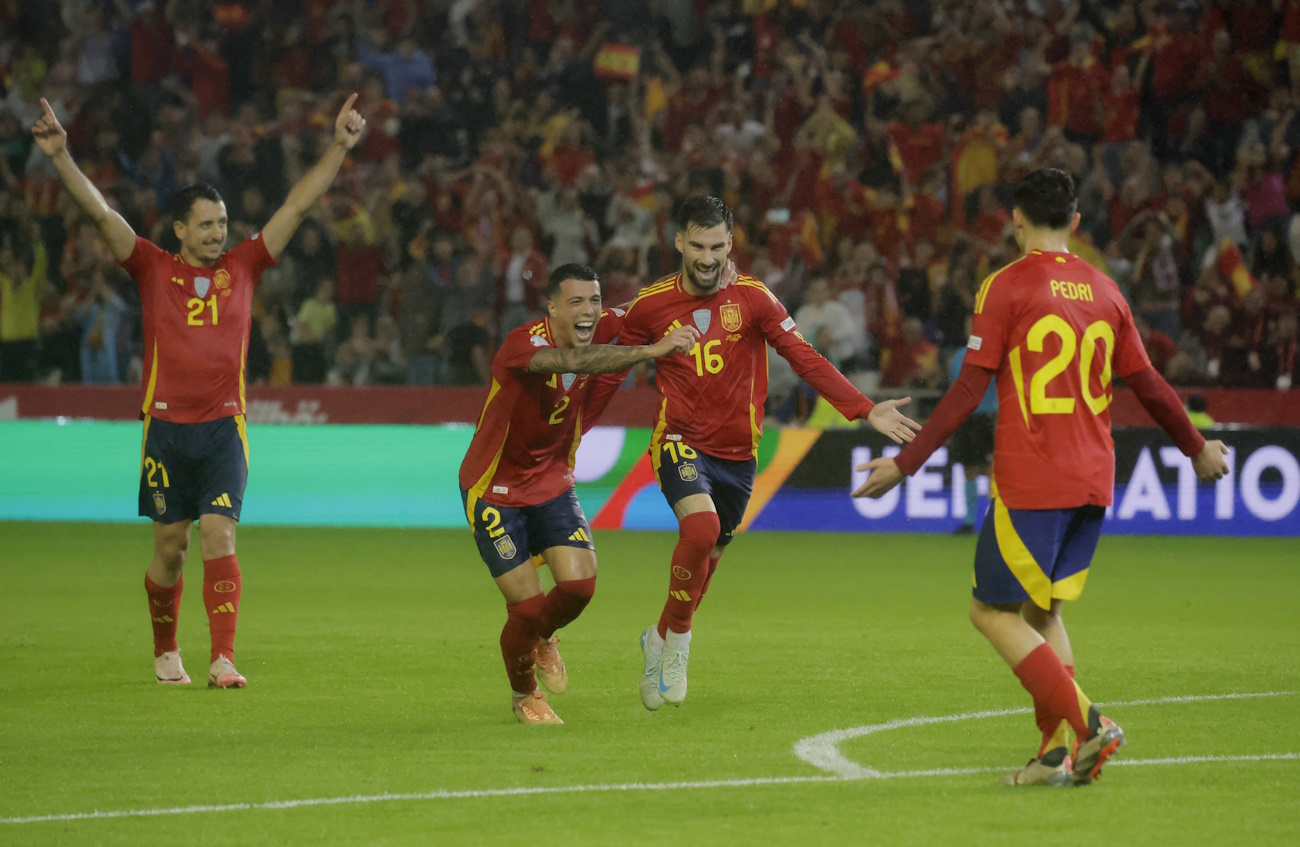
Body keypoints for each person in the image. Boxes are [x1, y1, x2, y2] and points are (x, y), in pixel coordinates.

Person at [854, 169, 1230, 787]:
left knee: (989, 612)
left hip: (1034, 476)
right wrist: (1196, 447)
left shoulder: (1004, 287)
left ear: (1016, 220)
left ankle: (1090, 723)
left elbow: (969, 388)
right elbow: (1150, 386)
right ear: (1077, 223)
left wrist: (904, 461)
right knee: (1043, 610)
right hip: (1093, 479)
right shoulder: (1108, 291)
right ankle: (1056, 753)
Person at [31, 94, 367, 689]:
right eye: (207, 224)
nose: (218, 233)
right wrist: (60, 157)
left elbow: (297, 203)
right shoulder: (152, 268)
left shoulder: (244, 266)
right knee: (170, 549)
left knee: (219, 532)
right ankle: (166, 650)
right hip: (163, 428)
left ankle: (223, 659)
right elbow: (102, 213)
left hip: (223, 426)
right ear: (180, 229)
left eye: (222, 224)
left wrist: (338, 146)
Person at [617, 196, 920, 712]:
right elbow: (613, 354)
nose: (708, 257)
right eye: (697, 246)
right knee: (701, 530)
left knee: (709, 559)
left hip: (738, 454)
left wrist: (865, 410)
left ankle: (660, 635)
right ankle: (680, 645)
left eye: (717, 246)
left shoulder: (755, 298)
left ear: (730, 243)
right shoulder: (651, 305)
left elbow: (805, 358)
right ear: (678, 243)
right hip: (679, 438)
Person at [459, 263, 698, 725]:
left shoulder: (602, 323)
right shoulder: (522, 344)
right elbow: (572, 363)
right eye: (576, 302)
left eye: (594, 301)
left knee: (579, 587)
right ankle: (523, 694)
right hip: (495, 489)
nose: (589, 312)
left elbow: (654, 302)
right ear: (552, 308)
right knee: (526, 607)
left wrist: (706, 272)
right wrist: (652, 350)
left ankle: (544, 637)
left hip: (551, 480)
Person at [948, 316, 998, 536]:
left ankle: (994, 520)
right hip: (967, 418)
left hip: (990, 417)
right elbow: (954, 391)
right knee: (969, 467)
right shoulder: (958, 357)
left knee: (991, 470)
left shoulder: (996, 353)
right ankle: (969, 521)